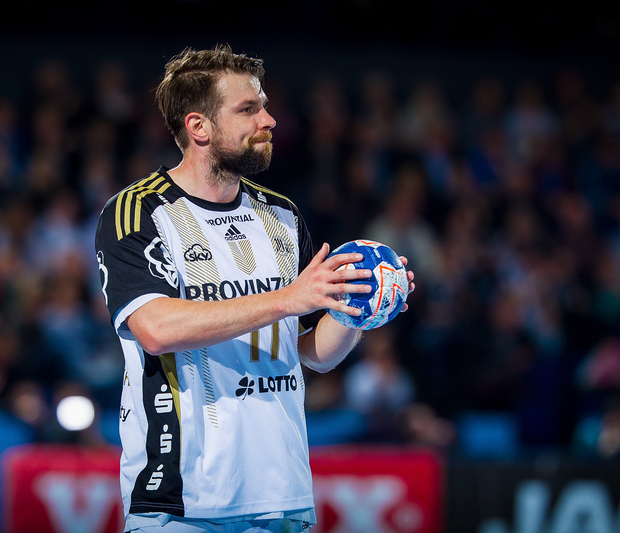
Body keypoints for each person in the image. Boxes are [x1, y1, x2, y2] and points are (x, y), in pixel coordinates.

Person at [94, 44, 415, 533]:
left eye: (264, 106)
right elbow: (155, 329)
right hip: (183, 501)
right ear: (199, 127)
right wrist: (288, 299)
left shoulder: (281, 214)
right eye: (248, 109)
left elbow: (311, 353)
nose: (269, 120)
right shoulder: (139, 211)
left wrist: (357, 308)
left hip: (281, 495)